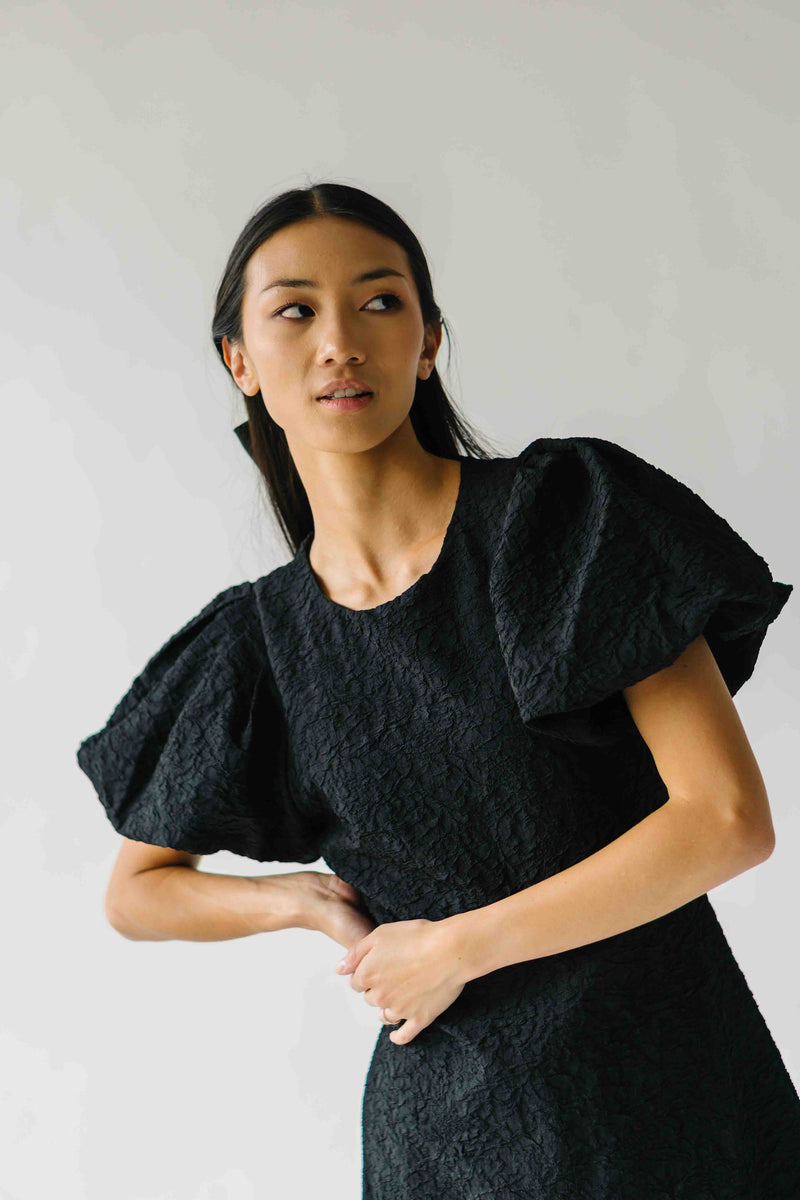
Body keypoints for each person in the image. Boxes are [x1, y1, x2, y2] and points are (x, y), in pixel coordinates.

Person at [76, 182, 800, 1198]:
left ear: (427, 342)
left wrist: (458, 947)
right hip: (447, 1139)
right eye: (295, 311)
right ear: (239, 361)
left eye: (379, 302)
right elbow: (137, 893)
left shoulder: (560, 524)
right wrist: (300, 901)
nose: (339, 342)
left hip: (668, 1099)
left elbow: (725, 820)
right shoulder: (258, 645)